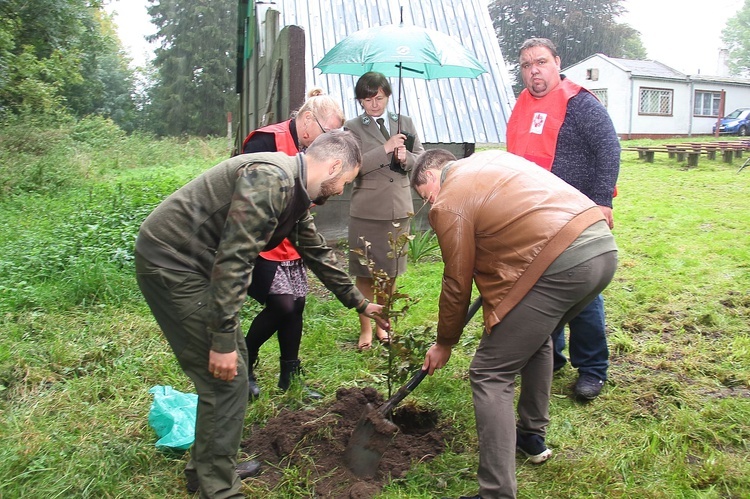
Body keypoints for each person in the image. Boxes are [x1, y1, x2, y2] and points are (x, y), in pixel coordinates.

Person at [134, 131, 388, 498]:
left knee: (229, 376)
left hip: (198, 263)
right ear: (334, 166)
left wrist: (359, 302)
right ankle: (219, 488)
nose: (341, 189)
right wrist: (221, 338)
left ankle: (208, 468)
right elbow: (235, 260)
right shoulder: (271, 179)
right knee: (225, 378)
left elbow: (315, 251)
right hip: (173, 262)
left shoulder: (296, 191)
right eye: (345, 181)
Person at [413, 149, 618, 499]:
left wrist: (445, 341)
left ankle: (495, 492)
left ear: (432, 176)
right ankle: (530, 437)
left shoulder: (449, 198)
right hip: (599, 247)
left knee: (489, 373)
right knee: (535, 339)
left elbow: (456, 280)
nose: (430, 204)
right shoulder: (491, 160)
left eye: (424, 195)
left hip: (561, 260)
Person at [506, 37, 621, 400]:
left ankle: (592, 369)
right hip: (535, 217)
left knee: (582, 294)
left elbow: (609, 148)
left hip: (578, 213)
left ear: (557, 62)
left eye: (540, 62)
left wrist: (603, 200)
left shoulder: (580, 103)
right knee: (541, 291)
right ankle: (550, 356)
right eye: (526, 65)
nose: (533, 71)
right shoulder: (521, 104)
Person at [240, 88, 344, 401]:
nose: (328, 142)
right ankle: (244, 360)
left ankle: (290, 375)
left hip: (292, 236)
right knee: (281, 303)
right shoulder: (264, 140)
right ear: (308, 120)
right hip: (258, 238)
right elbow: (248, 195)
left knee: (297, 304)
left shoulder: (312, 148)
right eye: (328, 133)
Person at [344, 71, 425, 350]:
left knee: (390, 271)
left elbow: (420, 159)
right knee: (364, 271)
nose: (374, 104)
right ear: (360, 101)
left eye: (378, 98)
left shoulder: (404, 122)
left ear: (388, 96)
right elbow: (351, 167)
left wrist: (407, 158)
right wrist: (385, 148)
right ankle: (365, 328)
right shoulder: (351, 127)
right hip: (367, 210)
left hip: (397, 208)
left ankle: (384, 325)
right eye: (367, 99)